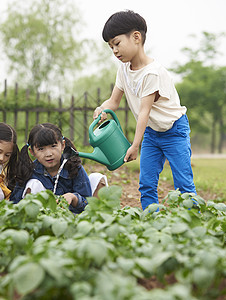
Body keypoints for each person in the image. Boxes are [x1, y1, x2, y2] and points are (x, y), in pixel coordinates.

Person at [93, 10, 196, 210]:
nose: (114, 50)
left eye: (117, 43)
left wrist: (135, 145)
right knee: (146, 183)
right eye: (110, 47)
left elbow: (144, 112)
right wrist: (102, 108)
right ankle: (151, 220)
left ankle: (192, 223)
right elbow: (114, 101)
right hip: (151, 132)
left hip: (174, 130)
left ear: (136, 37)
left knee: (183, 183)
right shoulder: (123, 70)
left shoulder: (152, 73)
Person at [10, 123, 108, 214]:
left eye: (53, 146)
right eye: (41, 149)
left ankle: (99, 217)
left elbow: (87, 201)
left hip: (73, 216)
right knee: (33, 184)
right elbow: (15, 203)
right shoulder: (30, 171)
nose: (49, 154)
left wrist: (73, 197)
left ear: (63, 145)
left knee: (97, 178)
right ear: (32, 152)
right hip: (43, 217)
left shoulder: (73, 167)